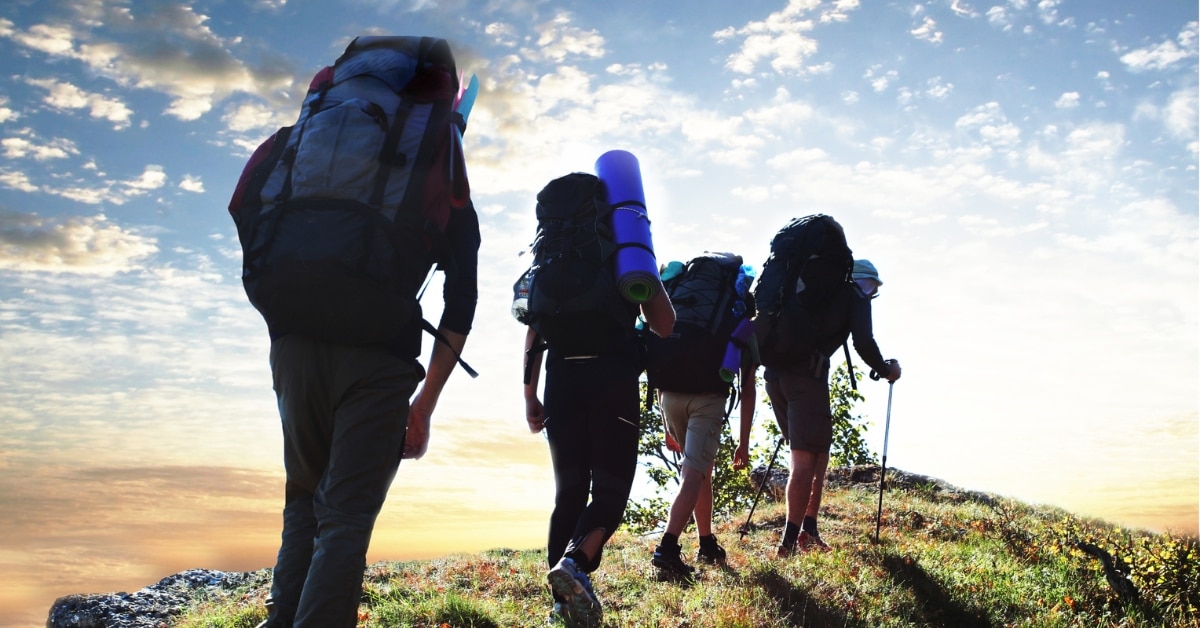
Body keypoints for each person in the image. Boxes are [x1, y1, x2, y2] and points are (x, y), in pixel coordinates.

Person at [258, 202, 480, 628]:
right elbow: (461, 302)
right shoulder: (445, 186)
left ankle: (279, 619)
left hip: (293, 346)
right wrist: (425, 405)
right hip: (377, 357)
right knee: (346, 515)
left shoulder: (321, 154)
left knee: (304, 496)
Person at [523, 277, 675, 626]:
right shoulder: (626, 240)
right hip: (612, 378)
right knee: (610, 492)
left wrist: (530, 394)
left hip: (560, 378)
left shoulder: (553, 244)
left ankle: (563, 606)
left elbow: (534, 330)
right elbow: (664, 325)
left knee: (569, 495)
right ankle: (573, 564)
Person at [765, 258, 900, 556]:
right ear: (866, 284)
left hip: (774, 376)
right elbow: (864, 342)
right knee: (803, 462)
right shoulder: (854, 296)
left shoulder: (811, 292)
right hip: (806, 378)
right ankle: (788, 544)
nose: (870, 294)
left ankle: (808, 530)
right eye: (872, 289)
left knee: (818, 453)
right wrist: (886, 369)